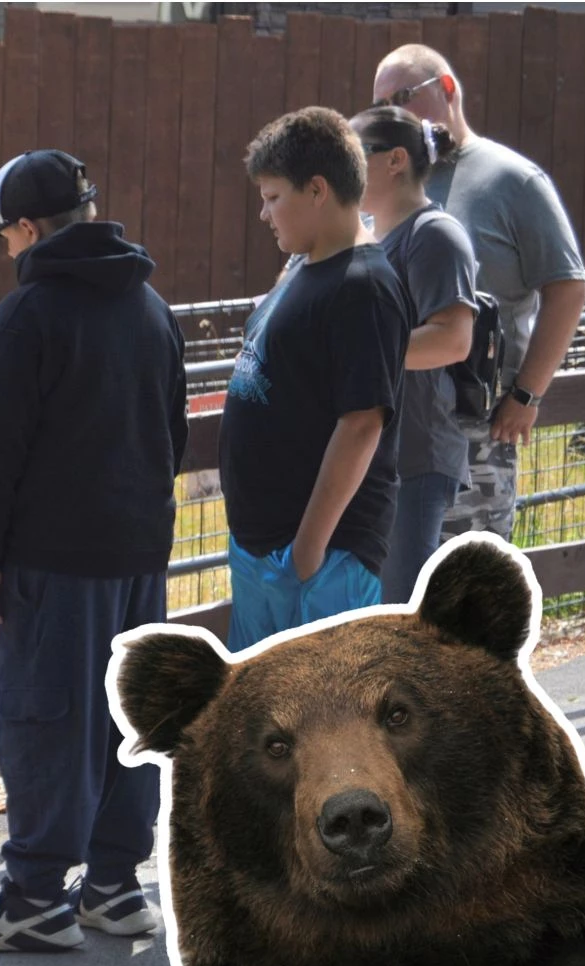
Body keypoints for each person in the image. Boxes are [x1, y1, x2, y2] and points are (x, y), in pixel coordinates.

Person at [0, 149, 188, 952]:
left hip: (54, 557)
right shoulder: (151, 308)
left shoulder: (29, 316)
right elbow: (175, 434)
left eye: (5, 238)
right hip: (138, 552)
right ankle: (115, 884)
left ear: (28, 227)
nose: (7, 252)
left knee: (46, 716)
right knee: (130, 716)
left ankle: (34, 895)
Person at [374, 45, 585, 540]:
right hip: (390, 420)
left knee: (467, 590)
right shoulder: (384, 184)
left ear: (447, 90)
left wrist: (528, 393)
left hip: (475, 426)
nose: (392, 114)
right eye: (381, 104)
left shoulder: (512, 180)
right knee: (395, 595)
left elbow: (569, 288)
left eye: (403, 97)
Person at [221, 107, 412, 651]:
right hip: (268, 553)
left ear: (318, 190)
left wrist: (308, 551)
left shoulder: (364, 287)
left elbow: (362, 424)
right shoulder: (305, 270)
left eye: (273, 196)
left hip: (319, 562)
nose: (264, 213)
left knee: (326, 727)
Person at [350, 106, 478, 603]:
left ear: (395, 161)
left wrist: (357, 352)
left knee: (398, 613)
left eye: (355, 155)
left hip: (416, 457)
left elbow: (453, 339)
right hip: (374, 452)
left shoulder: (434, 235)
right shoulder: (365, 231)